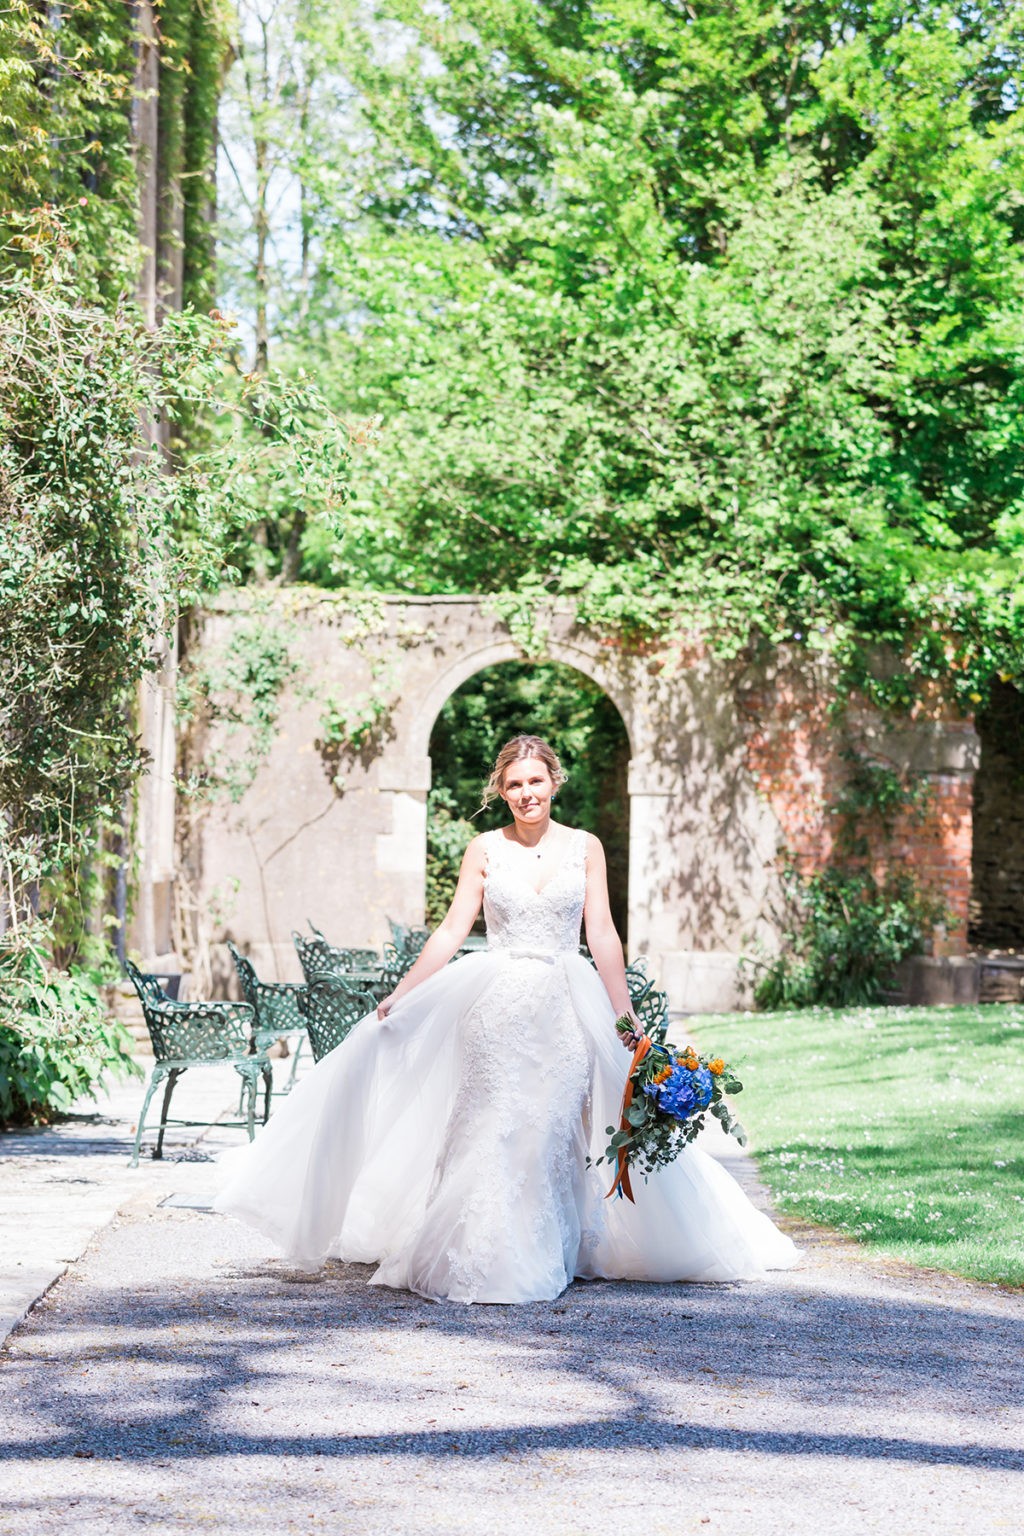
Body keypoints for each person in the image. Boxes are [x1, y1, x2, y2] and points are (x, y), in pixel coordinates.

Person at [214, 734, 798, 1303]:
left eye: (535, 781)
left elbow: (602, 934)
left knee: (550, 1126)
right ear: (501, 790)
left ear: (553, 782)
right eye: (514, 784)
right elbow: (451, 929)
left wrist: (624, 1014)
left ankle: (549, 1250)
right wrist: (403, 990)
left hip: (566, 1006)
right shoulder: (484, 849)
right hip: (496, 1008)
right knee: (492, 1123)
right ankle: (479, 1254)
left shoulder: (586, 847)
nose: (526, 793)